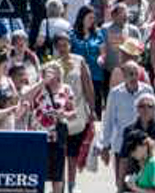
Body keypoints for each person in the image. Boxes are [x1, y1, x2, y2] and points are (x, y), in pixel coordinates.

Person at [53, 31, 96, 193]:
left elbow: (88, 86)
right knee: (59, 154)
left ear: (70, 45)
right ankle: (60, 186)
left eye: (66, 45)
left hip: (78, 115)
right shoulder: (53, 64)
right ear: (56, 47)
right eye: (60, 46)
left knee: (72, 154)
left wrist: (92, 109)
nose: (63, 48)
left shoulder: (80, 61)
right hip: (60, 117)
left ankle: (71, 186)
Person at [101, 61, 154, 188]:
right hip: (121, 146)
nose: (134, 77)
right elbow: (108, 121)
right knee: (121, 183)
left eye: (136, 74)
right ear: (124, 76)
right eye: (130, 74)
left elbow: (154, 117)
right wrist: (105, 146)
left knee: (143, 184)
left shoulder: (147, 91)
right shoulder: (115, 94)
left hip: (143, 146)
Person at [30, 62, 77, 193]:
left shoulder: (66, 89)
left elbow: (74, 113)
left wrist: (64, 114)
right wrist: (41, 82)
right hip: (39, 135)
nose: (51, 75)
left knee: (58, 173)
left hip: (58, 136)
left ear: (59, 73)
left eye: (54, 71)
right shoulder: (38, 88)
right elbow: (25, 98)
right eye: (48, 72)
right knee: (38, 172)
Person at [120, 94, 155, 189]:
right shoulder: (129, 130)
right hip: (134, 180)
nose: (145, 109)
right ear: (137, 109)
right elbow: (123, 159)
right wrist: (120, 185)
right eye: (141, 106)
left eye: (150, 106)